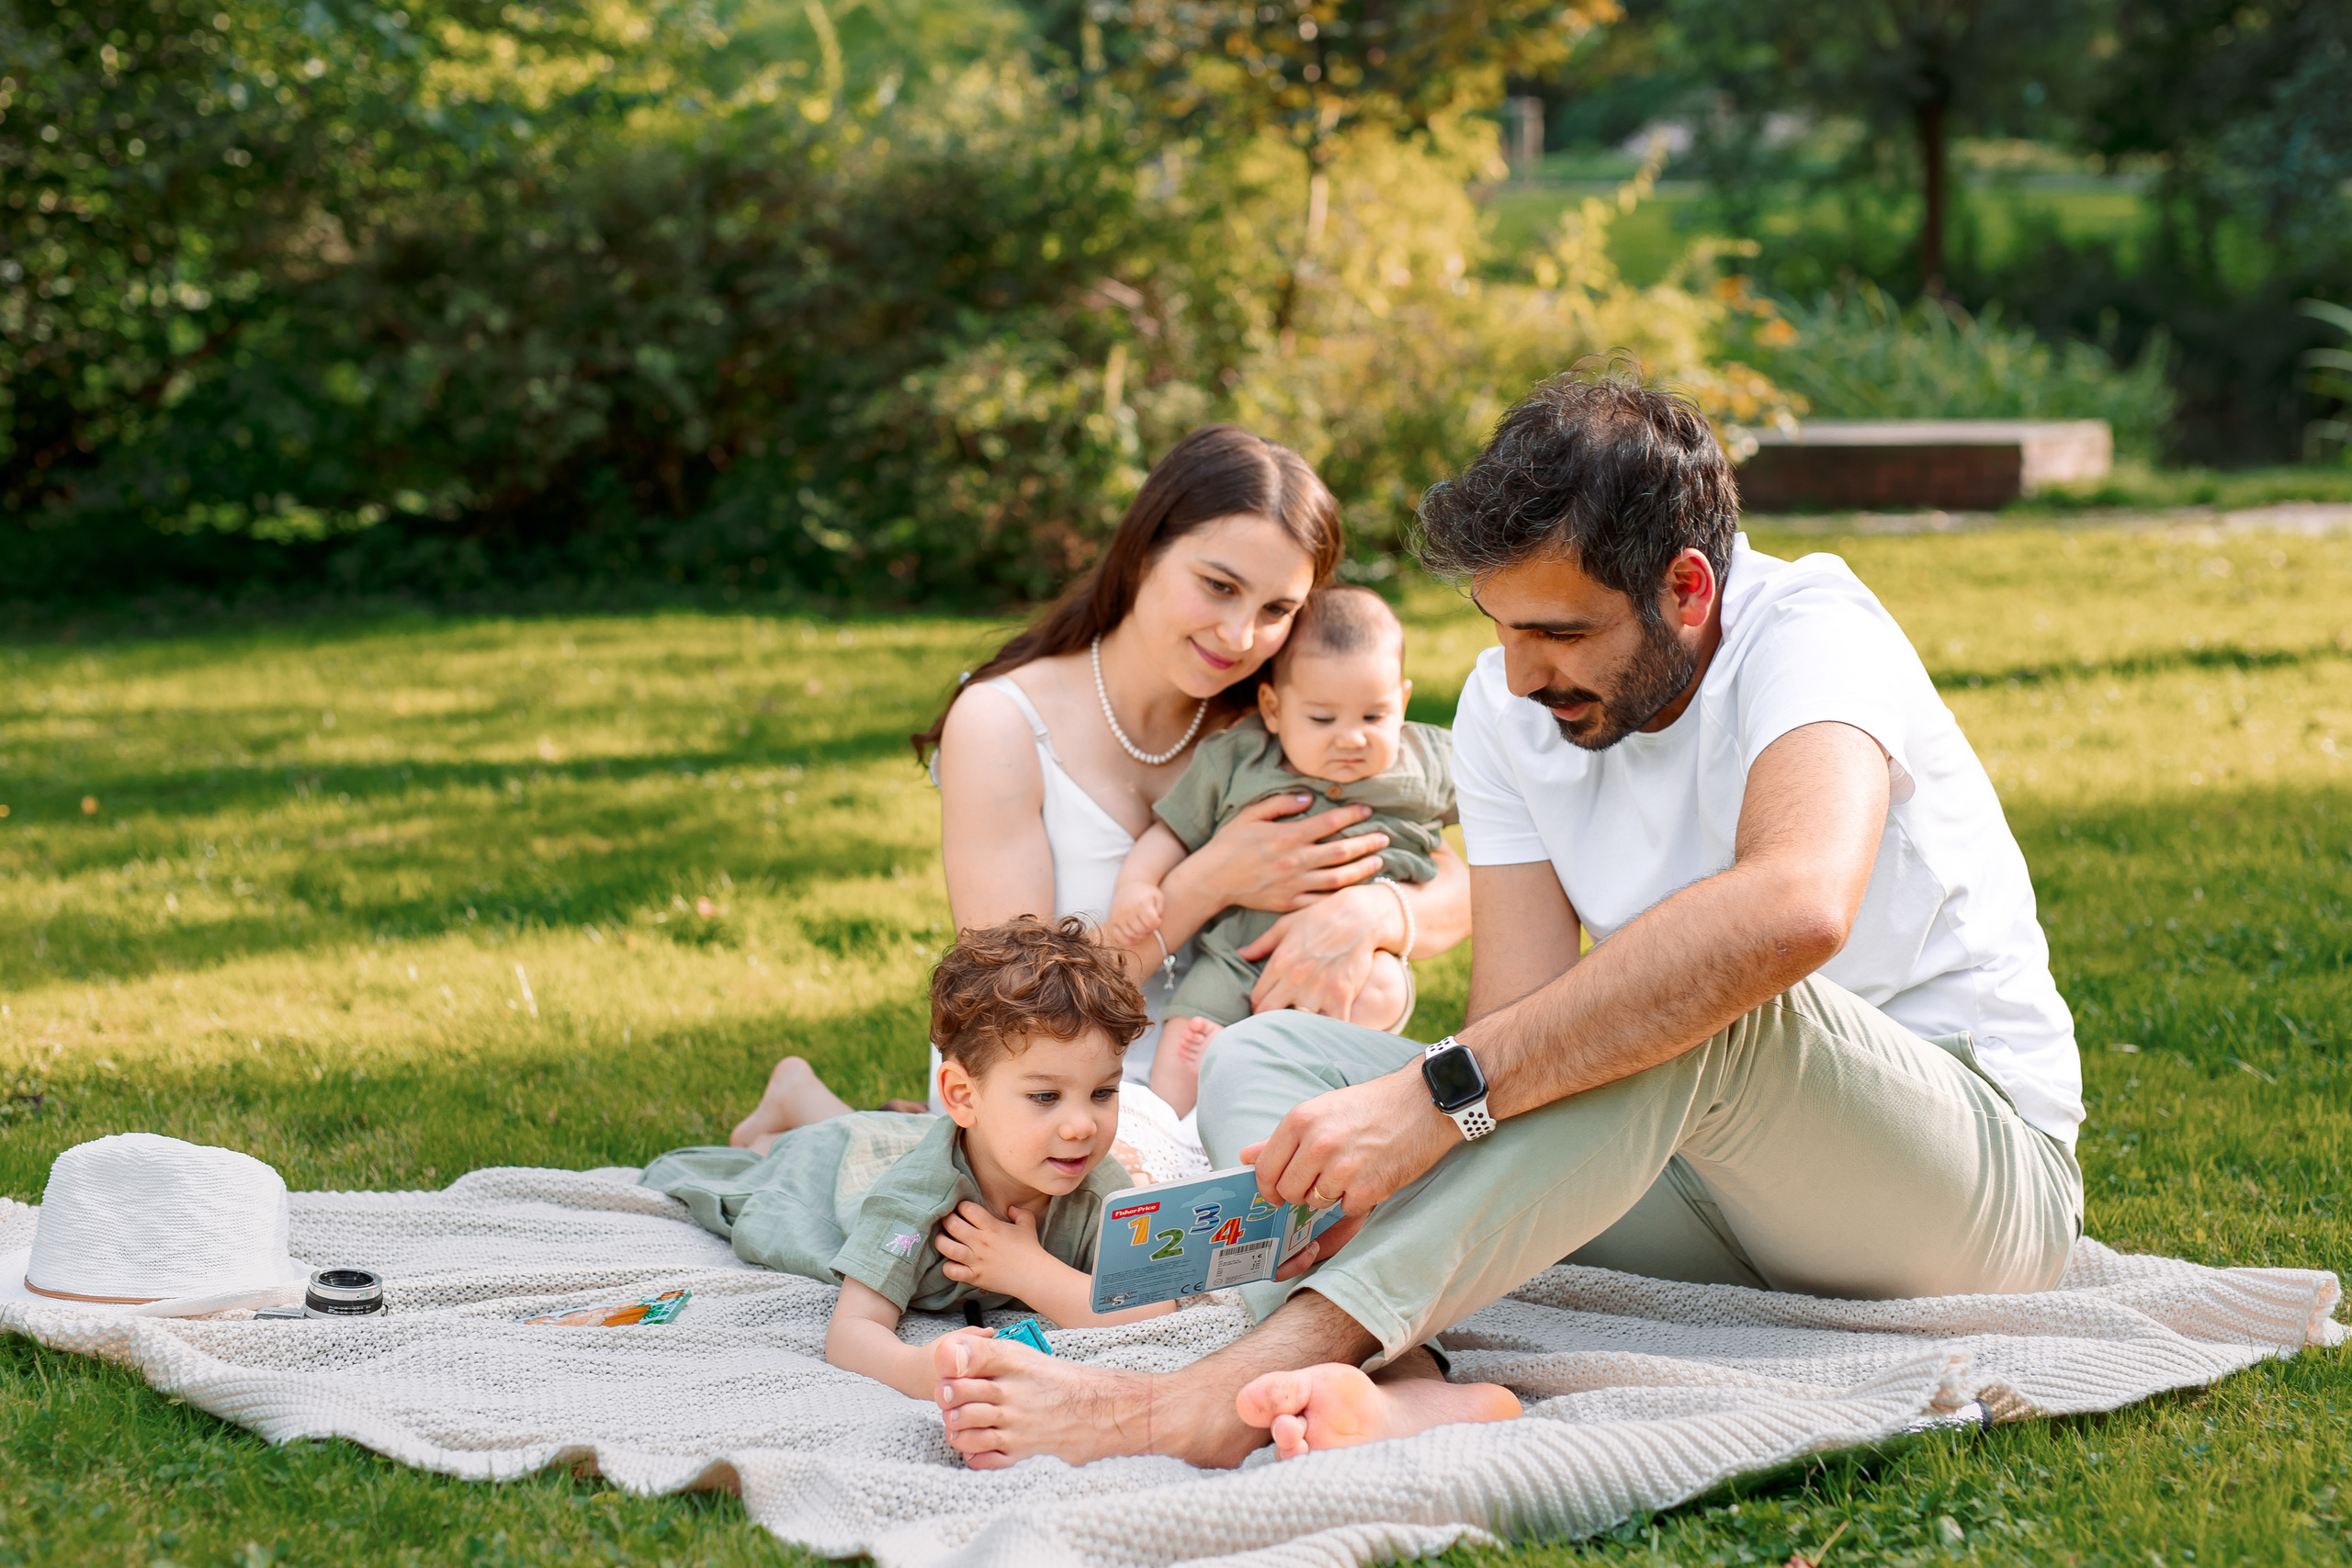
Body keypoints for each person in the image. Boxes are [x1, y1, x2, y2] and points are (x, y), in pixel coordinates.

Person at [925, 373, 2086, 1469]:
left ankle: (1213, 1393)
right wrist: (1420, 1120)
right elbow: (1514, 1025)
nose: (1522, 674)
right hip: (1697, 1192)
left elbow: (1793, 910)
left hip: (1958, 1185)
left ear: (1688, 590)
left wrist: (1430, 1102)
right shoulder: (1506, 705)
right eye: (1501, 626)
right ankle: (1403, 1378)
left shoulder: (1813, 633)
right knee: (1265, 1058)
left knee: (1693, 996)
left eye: (1561, 634)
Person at [729, 425, 1472, 1175]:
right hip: (1052, 1091)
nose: (1240, 634)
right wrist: (1210, 881)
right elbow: (1014, 1001)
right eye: (1218, 586)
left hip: (1240, 1070)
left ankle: (841, 1121)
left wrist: (1374, 912)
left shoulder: (1282, 723)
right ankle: (824, 1116)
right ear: (1143, 551)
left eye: (1277, 608)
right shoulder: (1002, 723)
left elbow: (1458, 884)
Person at [641, 919, 1173, 1400]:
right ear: (962, 1096)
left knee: (878, 1135)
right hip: (826, 1172)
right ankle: (782, 1115)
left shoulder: (1092, 1178)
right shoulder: (914, 1200)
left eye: (1102, 1093)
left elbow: (1154, 1304)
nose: (1083, 1126)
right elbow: (852, 1332)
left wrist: (1028, 1273)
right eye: (1045, 1096)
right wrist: (916, 1370)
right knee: (773, 1183)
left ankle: (800, 1095)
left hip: (915, 1141)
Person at [1105, 584, 1455, 1116]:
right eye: (1322, 719)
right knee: (1185, 1040)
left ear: (1402, 702)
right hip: (1238, 954)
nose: (1352, 738)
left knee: (1380, 990)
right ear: (1273, 708)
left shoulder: (1427, 762)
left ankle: (1312, 1078)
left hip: (1354, 956)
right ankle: (1171, 1136)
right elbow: (1171, 833)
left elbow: (1507, 820)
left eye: (1374, 716)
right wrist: (1137, 885)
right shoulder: (1239, 760)